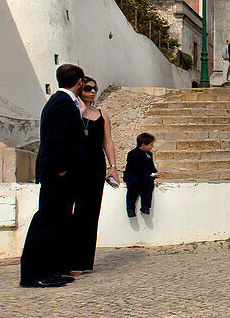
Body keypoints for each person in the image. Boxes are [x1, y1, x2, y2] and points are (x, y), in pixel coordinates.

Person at [20, 64, 87, 287]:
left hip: (60, 173)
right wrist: (62, 168)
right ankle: (35, 274)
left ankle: (52, 269)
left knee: (59, 222)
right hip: (57, 174)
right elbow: (57, 139)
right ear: (79, 82)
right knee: (47, 221)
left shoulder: (60, 102)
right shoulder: (62, 104)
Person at [69, 77, 118, 276]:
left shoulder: (102, 114)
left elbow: (108, 142)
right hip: (75, 165)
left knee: (90, 213)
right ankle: (65, 259)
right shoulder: (73, 112)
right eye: (88, 88)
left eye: (94, 88)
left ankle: (83, 261)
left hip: (95, 165)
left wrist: (113, 166)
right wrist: (80, 108)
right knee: (72, 212)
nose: (92, 91)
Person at [124, 132, 162, 217]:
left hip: (144, 175)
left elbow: (151, 166)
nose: (152, 147)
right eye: (150, 145)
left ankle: (145, 206)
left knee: (149, 183)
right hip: (133, 175)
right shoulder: (133, 154)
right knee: (133, 185)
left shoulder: (149, 154)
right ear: (143, 145)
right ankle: (130, 209)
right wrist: (152, 174)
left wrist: (156, 173)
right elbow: (137, 168)